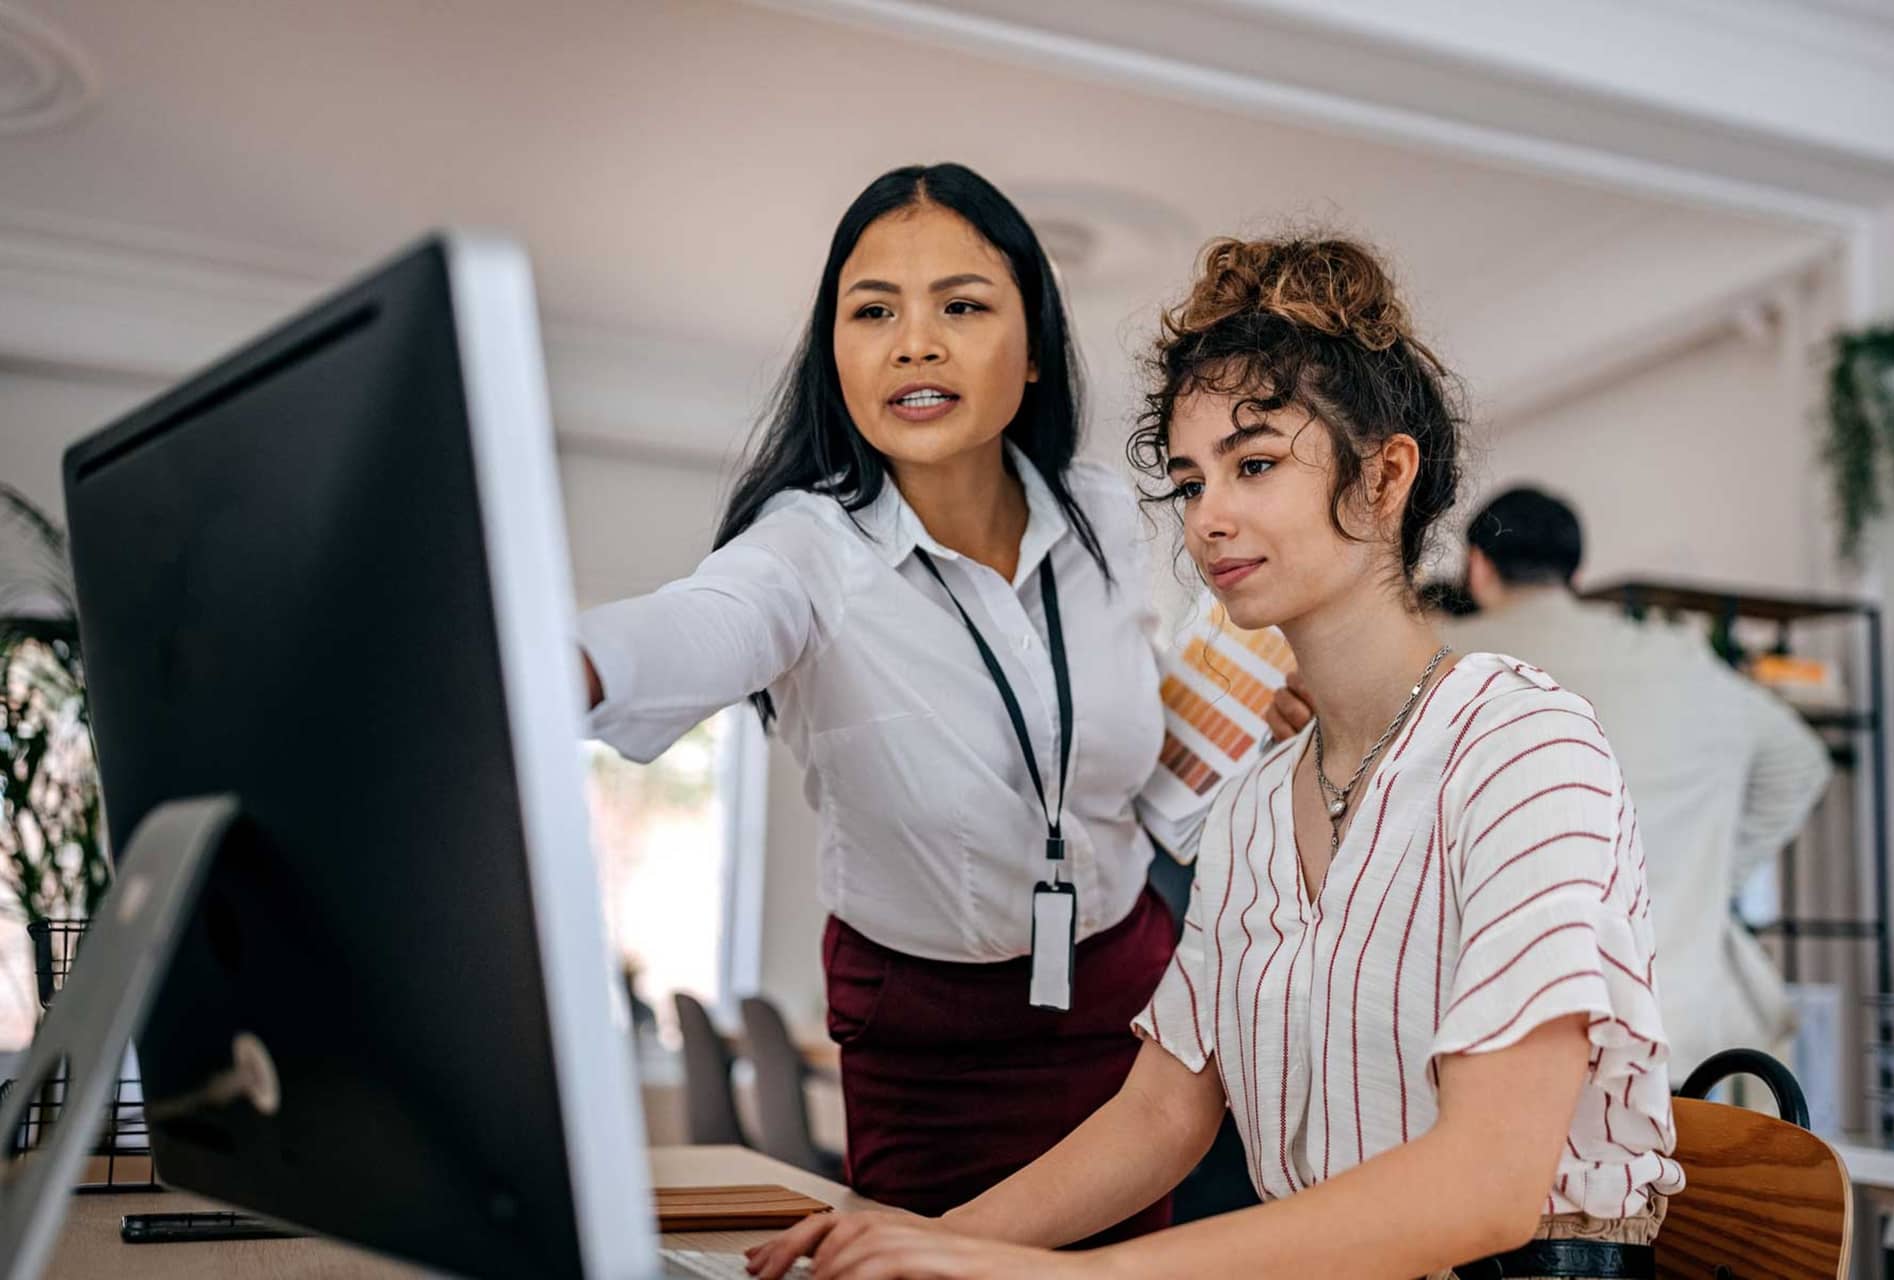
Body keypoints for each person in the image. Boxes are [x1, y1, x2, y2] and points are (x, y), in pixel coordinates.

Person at [748, 234, 1683, 1280]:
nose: (1206, 520)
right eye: (1189, 481)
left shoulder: (1521, 745)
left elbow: (1486, 1183)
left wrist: (1080, 1273)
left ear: (1382, 478)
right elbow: (1161, 1108)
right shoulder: (1247, 808)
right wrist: (940, 1233)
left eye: (1252, 464)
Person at [576, 163, 1207, 1240]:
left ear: (1036, 348)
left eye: (961, 305)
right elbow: (694, 621)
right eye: (873, 311)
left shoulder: (1113, 517)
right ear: (836, 352)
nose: (915, 341)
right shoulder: (804, 548)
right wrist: (549, 666)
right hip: (926, 1040)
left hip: (1125, 1006)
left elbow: (1143, 757)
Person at [1441, 486, 1831, 1075]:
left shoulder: (1449, 662)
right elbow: (1800, 762)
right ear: (1574, 570)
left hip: (1505, 1033)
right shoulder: (1674, 657)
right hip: (1672, 1025)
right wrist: (1711, 865)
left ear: (1478, 565)